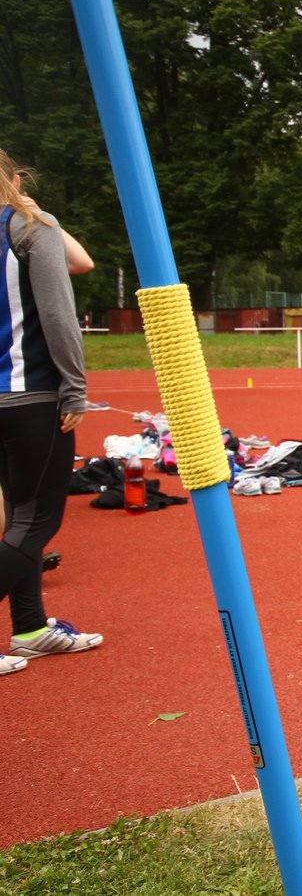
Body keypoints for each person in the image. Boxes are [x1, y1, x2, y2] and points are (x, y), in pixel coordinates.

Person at [0, 151, 101, 675]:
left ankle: (31, 627)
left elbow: (78, 264)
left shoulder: (28, 228)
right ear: (17, 179)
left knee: (18, 517)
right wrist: (75, 388)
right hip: (29, 394)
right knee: (37, 519)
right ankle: (30, 627)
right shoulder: (28, 227)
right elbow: (60, 311)